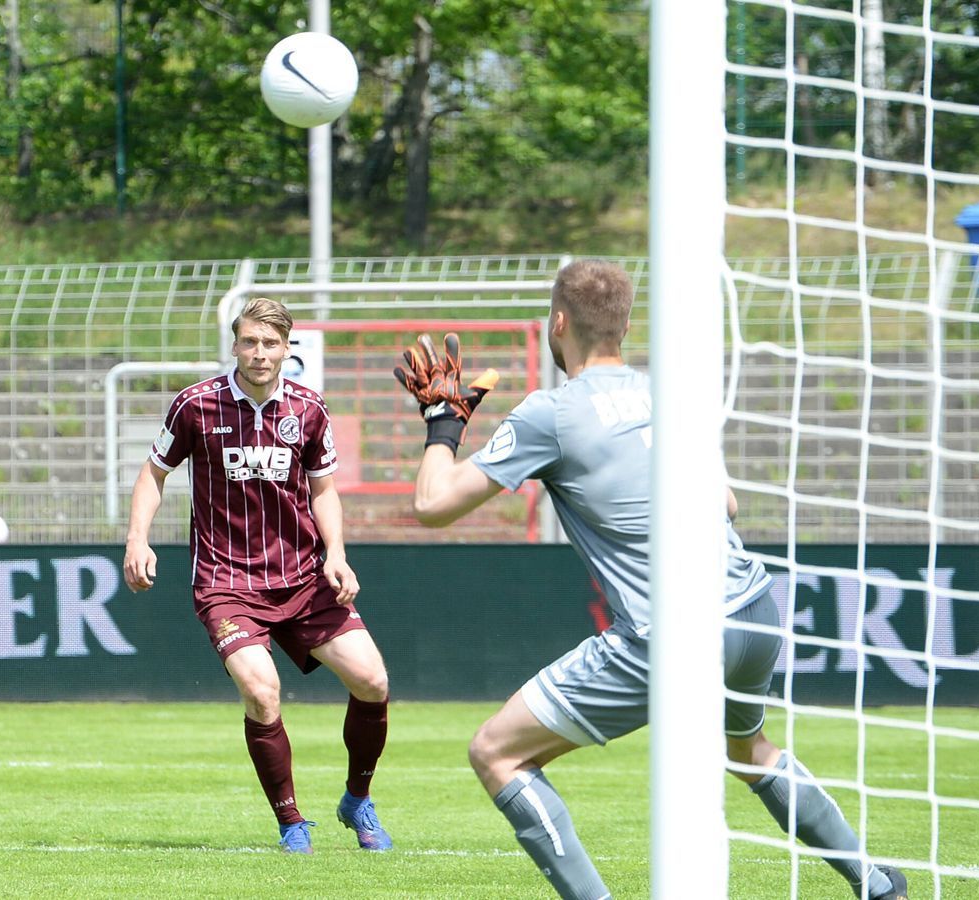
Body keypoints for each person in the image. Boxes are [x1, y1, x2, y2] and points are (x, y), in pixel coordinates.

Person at [394, 259, 908, 900]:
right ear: (626, 325)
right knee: (746, 749)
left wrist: (444, 425)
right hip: (749, 606)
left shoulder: (546, 414)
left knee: (497, 752)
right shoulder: (672, 394)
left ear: (558, 322)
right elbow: (727, 505)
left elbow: (433, 505)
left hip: (668, 633)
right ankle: (874, 881)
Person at [122, 297, 392, 855]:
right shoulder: (196, 405)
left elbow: (323, 491)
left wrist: (336, 554)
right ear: (235, 344)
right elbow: (154, 474)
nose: (260, 353)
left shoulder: (309, 409)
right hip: (226, 581)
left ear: (287, 347)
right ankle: (292, 822)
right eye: (250, 342)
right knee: (262, 691)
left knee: (373, 681)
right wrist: (136, 539)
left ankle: (357, 799)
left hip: (303, 578)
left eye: (271, 343)